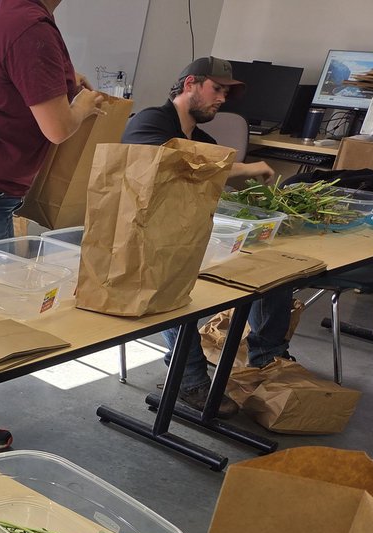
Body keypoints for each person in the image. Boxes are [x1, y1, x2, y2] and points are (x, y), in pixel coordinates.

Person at [0, 0, 106, 450]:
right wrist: (83, 105)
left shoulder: (14, 10)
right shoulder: (30, 25)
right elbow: (57, 128)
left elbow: (22, 85)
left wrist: (68, 87)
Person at [122, 56, 294, 417]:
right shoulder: (150, 121)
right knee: (173, 284)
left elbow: (206, 182)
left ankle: (267, 359)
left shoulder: (203, 139)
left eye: (226, 93)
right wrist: (242, 167)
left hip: (184, 235)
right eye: (217, 89)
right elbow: (172, 163)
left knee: (272, 273)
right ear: (190, 84)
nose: (222, 99)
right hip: (134, 238)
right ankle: (189, 381)